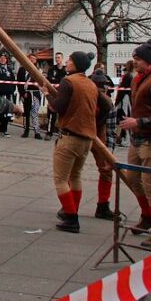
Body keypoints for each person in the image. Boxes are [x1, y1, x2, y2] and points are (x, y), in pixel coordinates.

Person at [40, 51, 112, 234]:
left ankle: (71, 216)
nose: (67, 62)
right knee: (75, 176)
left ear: (76, 64)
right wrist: (94, 120)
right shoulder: (90, 84)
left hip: (70, 136)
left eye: (70, 60)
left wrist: (47, 94)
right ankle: (72, 211)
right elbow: (107, 106)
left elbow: (58, 107)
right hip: (87, 137)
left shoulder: (69, 82)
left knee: (61, 179)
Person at [119, 40, 151, 249]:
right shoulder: (139, 78)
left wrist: (137, 122)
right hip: (138, 138)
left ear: (147, 62)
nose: (134, 62)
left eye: (137, 59)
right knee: (132, 178)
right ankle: (147, 216)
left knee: (150, 182)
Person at [89, 70, 117, 220]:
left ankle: (102, 205)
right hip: (83, 134)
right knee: (73, 171)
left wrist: (109, 154)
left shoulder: (108, 104)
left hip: (97, 135)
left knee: (106, 170)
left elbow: (111, 131)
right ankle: (69, 208)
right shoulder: (85, 98)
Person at [18, 55, 43, 140]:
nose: (32, 60)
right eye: (30, 58)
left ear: (36, 61)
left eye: (33, 59)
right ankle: (26, 130)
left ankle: (37, 131)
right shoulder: (22, 69)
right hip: (26, 93)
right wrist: (22, 93)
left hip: (35, 93)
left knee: (35, 112)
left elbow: (42, 81)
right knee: (26, 113)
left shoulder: (38, 70)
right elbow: (19, 82)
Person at [45, 52, 67, 139]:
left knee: (63, 114)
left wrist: (58, 80)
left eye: (59, 58)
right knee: (51, 113)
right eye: (56, 58)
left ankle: (62, 132)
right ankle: (49, 132)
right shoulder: (52, 69)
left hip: (63, 94)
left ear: (62, 59)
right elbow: (50, 79)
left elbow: (64, 81)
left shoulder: (65, 70)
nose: (57, 59)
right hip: (53, 94)